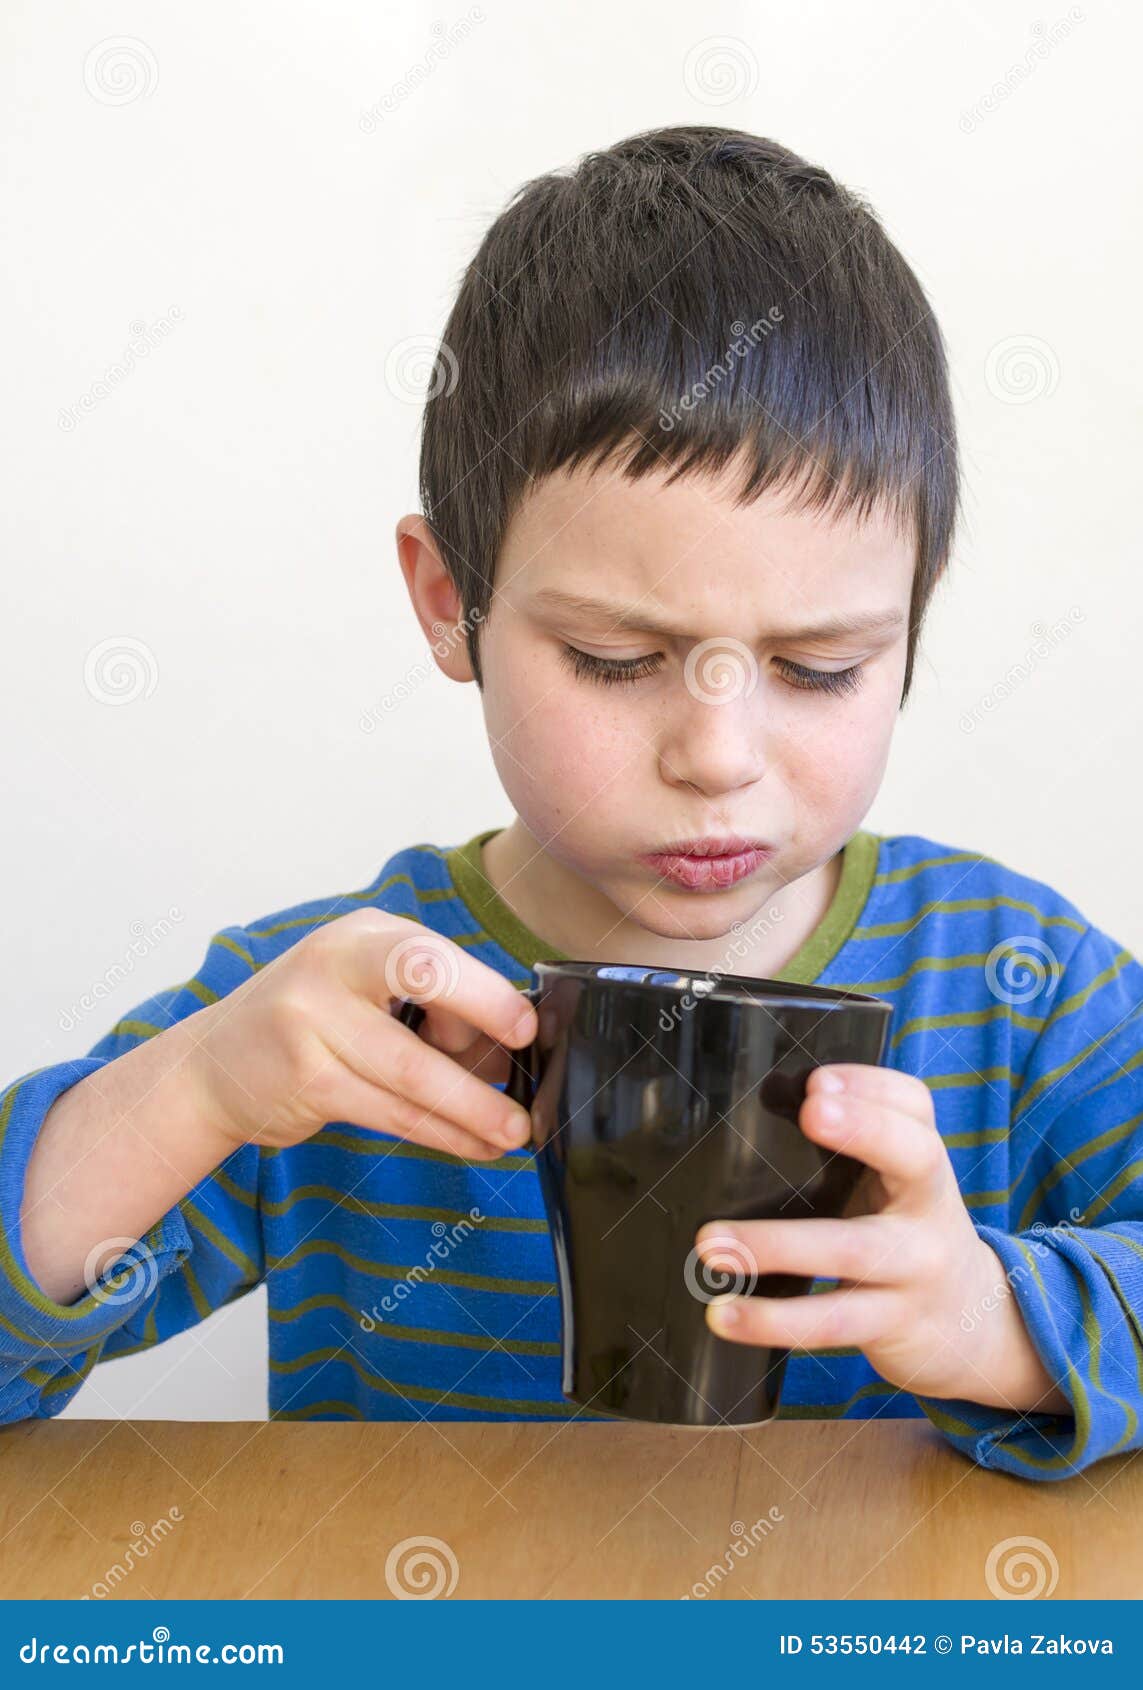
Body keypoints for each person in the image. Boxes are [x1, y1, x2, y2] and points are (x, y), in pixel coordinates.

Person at [3, 127, 1140, 1480]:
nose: (719, 756)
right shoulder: (320, 1021)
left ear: (910, 623)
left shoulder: (1022, 988)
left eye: (819, 666)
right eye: (614, 660)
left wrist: (996, 1317)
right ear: (450, 604)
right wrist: (191, 1090)